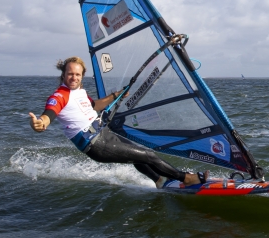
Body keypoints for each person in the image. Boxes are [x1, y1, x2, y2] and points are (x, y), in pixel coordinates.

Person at [28, 57, 206, 187]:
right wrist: (41, 123)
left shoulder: (79, 92)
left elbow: (95, 105)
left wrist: (116, 95)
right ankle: (186, 178)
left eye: (77, 74)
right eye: (70, 74)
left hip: (103, 135)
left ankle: (159, 180)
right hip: (95, 144)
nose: (74, 77)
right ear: (63, 75)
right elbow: (49, 114)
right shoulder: (60, 96)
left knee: (137, 157)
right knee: (148, 155)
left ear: (82, 76)